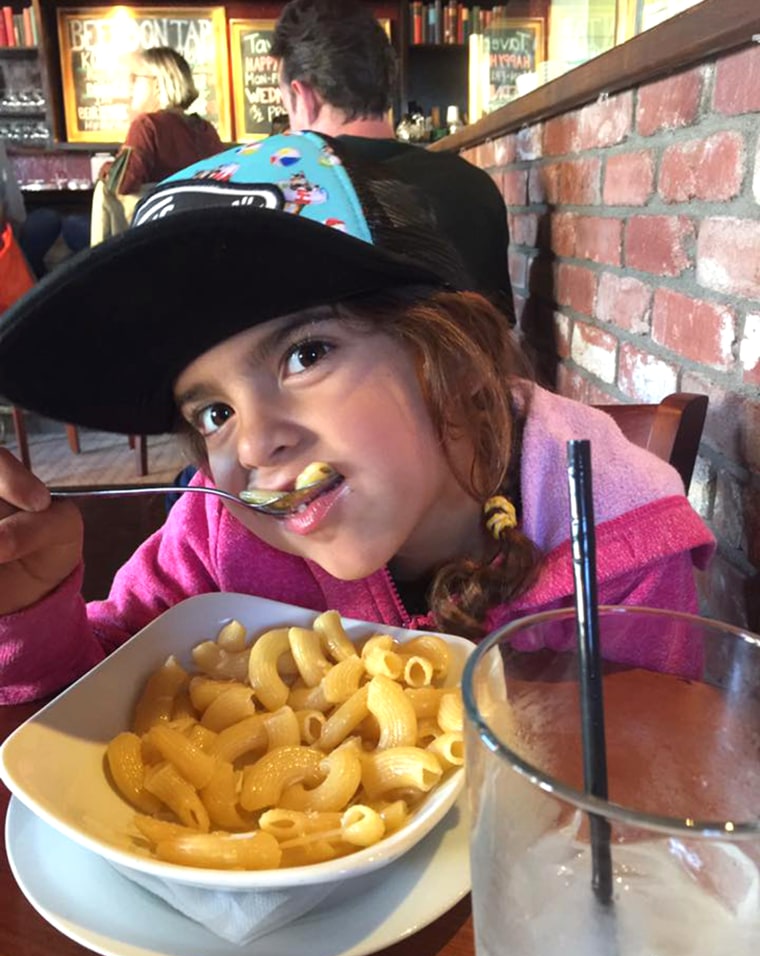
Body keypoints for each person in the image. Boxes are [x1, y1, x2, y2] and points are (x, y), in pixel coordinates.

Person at [0, 131, 714, 705]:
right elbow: (93, 703)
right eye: (214, 411)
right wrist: (27, 611)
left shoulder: (620, 554)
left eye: (305, 354)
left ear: (453, 355)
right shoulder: (213, 538)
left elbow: (646, 780)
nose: (252, 441)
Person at [271, 0, 517, 328]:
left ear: (303, 96)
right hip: (480, 375)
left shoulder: (292, 194)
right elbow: (502, 330)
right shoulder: (473, 184)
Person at [100, 45, 224, 197]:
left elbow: (122, 183)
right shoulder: (206, 129)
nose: (130, 86)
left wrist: (107, 169)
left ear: (158, 83)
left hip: (160, 218)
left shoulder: (146, 126)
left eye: (135, 78)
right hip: (202, 218)